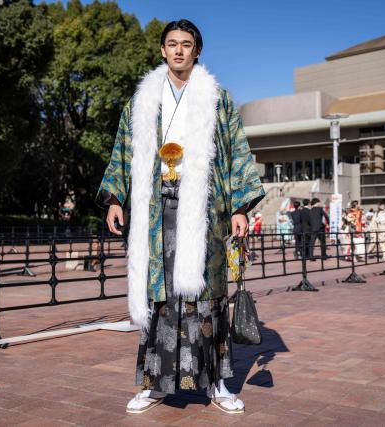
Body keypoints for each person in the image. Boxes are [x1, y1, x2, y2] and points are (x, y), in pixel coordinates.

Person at [97, 19, 264, 415]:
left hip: (202, 210)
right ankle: (152, 385)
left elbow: (235, 152)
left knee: (205, 298)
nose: (178, 50)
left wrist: (240, 207)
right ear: (162, 50)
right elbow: (123, 150)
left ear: (196, 51)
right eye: (171, 44)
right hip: (156, 211)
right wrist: (116, 199)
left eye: (186, 44)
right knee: (159, 299)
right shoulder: (142, 101)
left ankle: (218, 384)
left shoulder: (217, 99)